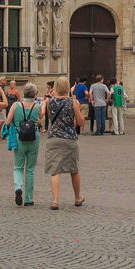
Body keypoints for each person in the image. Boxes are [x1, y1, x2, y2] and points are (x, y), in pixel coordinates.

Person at [42, 78, 86, 210]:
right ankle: (77, 197)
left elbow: (50, 119)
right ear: (67, 87)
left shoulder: (49, 102)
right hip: (69, 138)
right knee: (74, 169)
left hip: (54, 137)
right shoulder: (73, 102)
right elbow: (81, 122)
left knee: (55, 170)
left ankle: (55, 201)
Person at [8, 84, 42, 207]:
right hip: (33, 138)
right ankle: (28, 199)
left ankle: (18, 187)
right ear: (34, 94)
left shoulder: (15, 105)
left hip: (19, 137)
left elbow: (7, 121)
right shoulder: (37, 106)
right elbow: (40, 119)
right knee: (30, 169)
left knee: (18, 167)